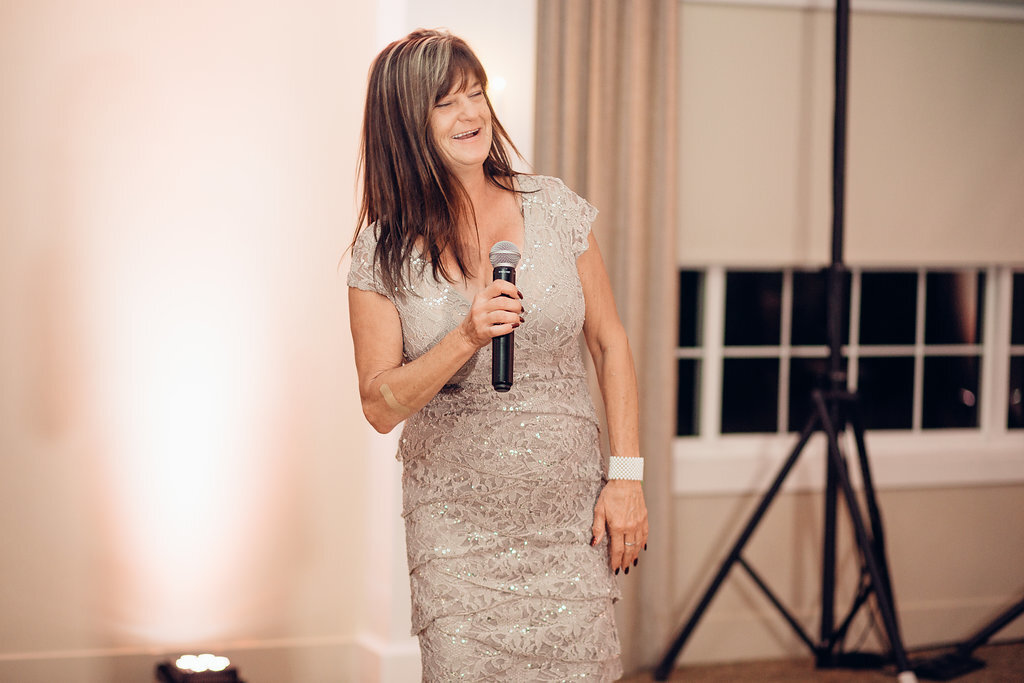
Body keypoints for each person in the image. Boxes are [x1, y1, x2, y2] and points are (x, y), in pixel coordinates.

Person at [347, 29, 648, 681]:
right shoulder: (380, 253)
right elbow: (377, 403)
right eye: (448, 102)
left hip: (568, 524)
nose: (473, 114)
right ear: (405, 123)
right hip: (458, 534)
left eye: (476, 94)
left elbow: (610, 340)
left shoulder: (556, 208)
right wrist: (466, 334)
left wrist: (626, 475)